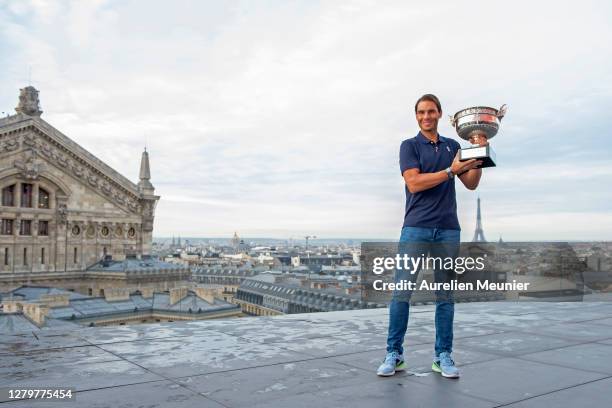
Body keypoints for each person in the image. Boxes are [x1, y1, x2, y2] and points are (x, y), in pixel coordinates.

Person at [376, 94, 488, 378]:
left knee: (445, 296)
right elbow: (414, 183)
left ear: (440, 114)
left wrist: (480, 153)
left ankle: (443, 356)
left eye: (431, 111)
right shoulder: (409, 146)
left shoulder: (453, 145)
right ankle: (394, 353)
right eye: (421, 112)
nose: (426, 116)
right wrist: (451, 170)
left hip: (448, 228)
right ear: (417, 116)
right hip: (416, 226)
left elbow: (471, 184)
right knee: (402, 293)